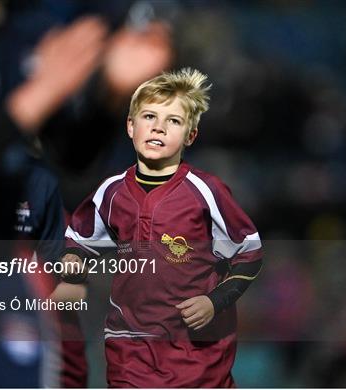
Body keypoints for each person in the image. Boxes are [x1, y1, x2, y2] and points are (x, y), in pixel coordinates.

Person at [61, 68, 263, 387]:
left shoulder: (207, 192)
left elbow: (249, 255)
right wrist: (72, 276)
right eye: (149, 116)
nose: (158, 127)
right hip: (130, 352)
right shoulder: (110, 192)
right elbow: (80, 242)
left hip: (198, 356)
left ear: (190, 135)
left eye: (173, 120)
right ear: (130, 126)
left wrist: (214, 301)